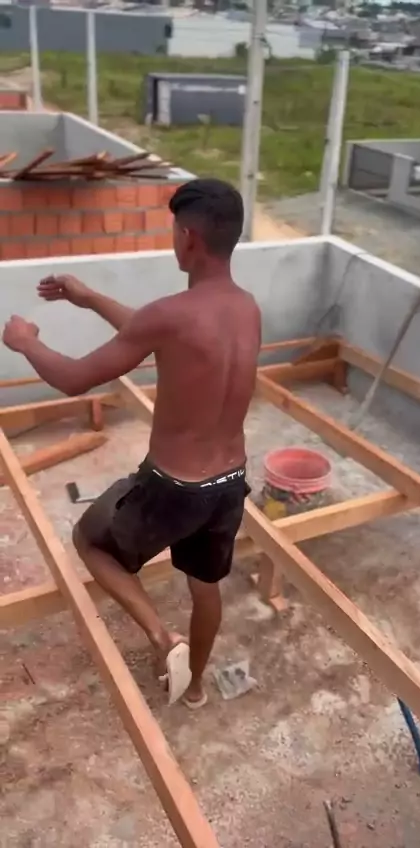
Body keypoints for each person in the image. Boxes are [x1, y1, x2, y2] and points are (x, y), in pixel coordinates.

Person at [2, 177, 261, 709]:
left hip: (172, 487)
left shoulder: (172, 315)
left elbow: (75, 379)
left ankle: (164, 639)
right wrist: (91, 299)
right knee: (204, 583)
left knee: (91, 542)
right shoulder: (245, 309)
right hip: (229, 481)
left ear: (188, 238)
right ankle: (195, 687)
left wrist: (27, 344)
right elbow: (158, 336)